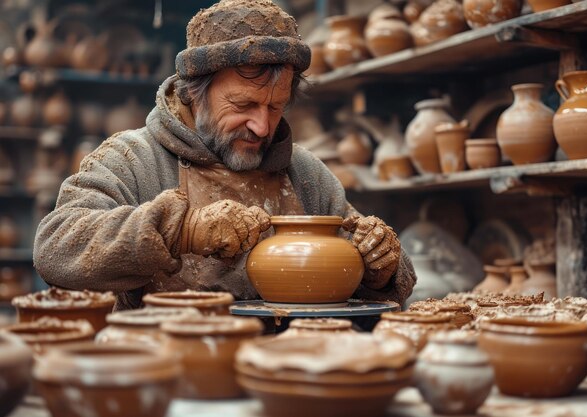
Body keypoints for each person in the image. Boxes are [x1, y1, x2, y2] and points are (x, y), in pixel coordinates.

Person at [33, 0, 416, 310]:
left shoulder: (304, 172)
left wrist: (380, 269)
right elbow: (54, 247)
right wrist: (181, 230)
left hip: (289, 368)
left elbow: (383, 279)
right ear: (194, 93)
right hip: (172, 370)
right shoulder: (133, 159)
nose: (262, 127)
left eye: (276, 107)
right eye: (243, 104)